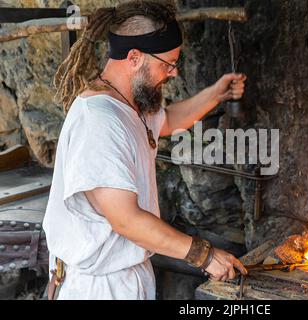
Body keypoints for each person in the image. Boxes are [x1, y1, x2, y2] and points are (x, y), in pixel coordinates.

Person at [42, 0, 247, 300]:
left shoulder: (128, 103)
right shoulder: (99, 122)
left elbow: (167, 122)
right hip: (99, 288)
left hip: (123, 275)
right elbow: (126, 219)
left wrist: (216, 94)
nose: (173, 73)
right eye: (167, 64)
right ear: (135, 57)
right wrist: (204, 255)